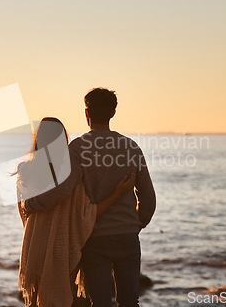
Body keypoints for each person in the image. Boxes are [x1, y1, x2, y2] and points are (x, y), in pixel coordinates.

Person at [24, 88, 156, 307]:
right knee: (130, 301)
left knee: (101, 302)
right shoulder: (132, 148)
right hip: (127, 237)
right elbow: (148, 198)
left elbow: (64, 188)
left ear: (87, 113)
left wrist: (34, 202)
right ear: (113, 112)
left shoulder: (78, 148)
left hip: (95, 237)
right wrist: (135, 224)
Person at [16, 117, 135, 306]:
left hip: (34, 247)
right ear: (64, 141)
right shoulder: (71, 174)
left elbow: (25, 216)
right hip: (63, 249)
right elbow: (89, 214)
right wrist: (117, 193)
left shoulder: (25, 172)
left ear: (37, 140)